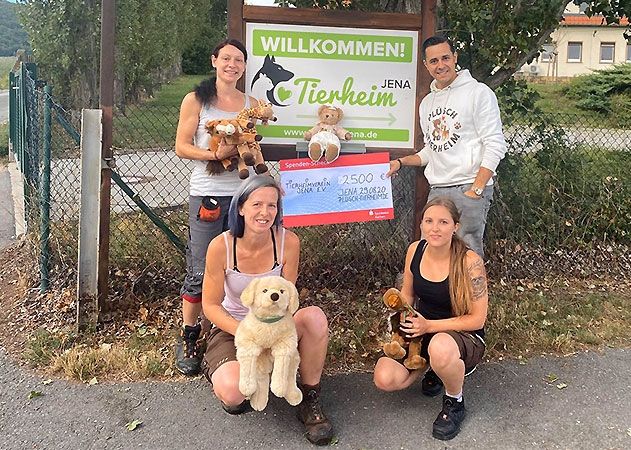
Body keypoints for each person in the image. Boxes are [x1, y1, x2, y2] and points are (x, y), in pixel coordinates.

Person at [200, 175, 334, 446]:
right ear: (240, 207)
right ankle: (214, 363)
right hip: (233, 326)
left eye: (272, 206)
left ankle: (309, 397)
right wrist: (248, 334)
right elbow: (210, 305)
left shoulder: (289, 242)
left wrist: (273, 335)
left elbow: (287, 297)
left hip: (276, 324)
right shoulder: (221, 246)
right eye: (257, 204)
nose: (264, 212)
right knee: (233, 393)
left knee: (316, 318)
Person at [174, 39, 259, 376]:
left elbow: (250, 144)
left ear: (243, 67)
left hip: (244, 195)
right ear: (214, 61)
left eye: (238, 60)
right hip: (208, 194)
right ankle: (190, 334)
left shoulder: (250, 103)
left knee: (240, 267)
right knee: (200, 269)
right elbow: (181, 147)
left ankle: (229, 332)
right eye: (226, 59)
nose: (232, 65)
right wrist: (214, 156)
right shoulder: (196, 100)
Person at [373, 197, 488, 441]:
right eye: (429, 221)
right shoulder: (415, 250)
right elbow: (408, 294)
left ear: (455, 227)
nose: (435, 228)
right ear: (422, 224)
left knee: (441, 347)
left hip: (461, 334)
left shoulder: (470, 262)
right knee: (385, 378)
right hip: (422, 327)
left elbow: (477, 319)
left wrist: (430, 326)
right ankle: (431, 367)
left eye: (443, 222)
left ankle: (454, 401)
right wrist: (402, 318)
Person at [388, 35, 507, 259]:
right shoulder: (427, 104)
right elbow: (430, 151)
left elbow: (495, 143)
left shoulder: (479, 93)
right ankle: (437, 296)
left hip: (468, 187)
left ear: (455, 58)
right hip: (437, 190)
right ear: (426, 65)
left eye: (445, 58)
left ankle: (470, 296)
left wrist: (477, 188)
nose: (440, 65)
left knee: (466, 256)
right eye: (433, 61)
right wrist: (401, 162)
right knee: (433, 255)